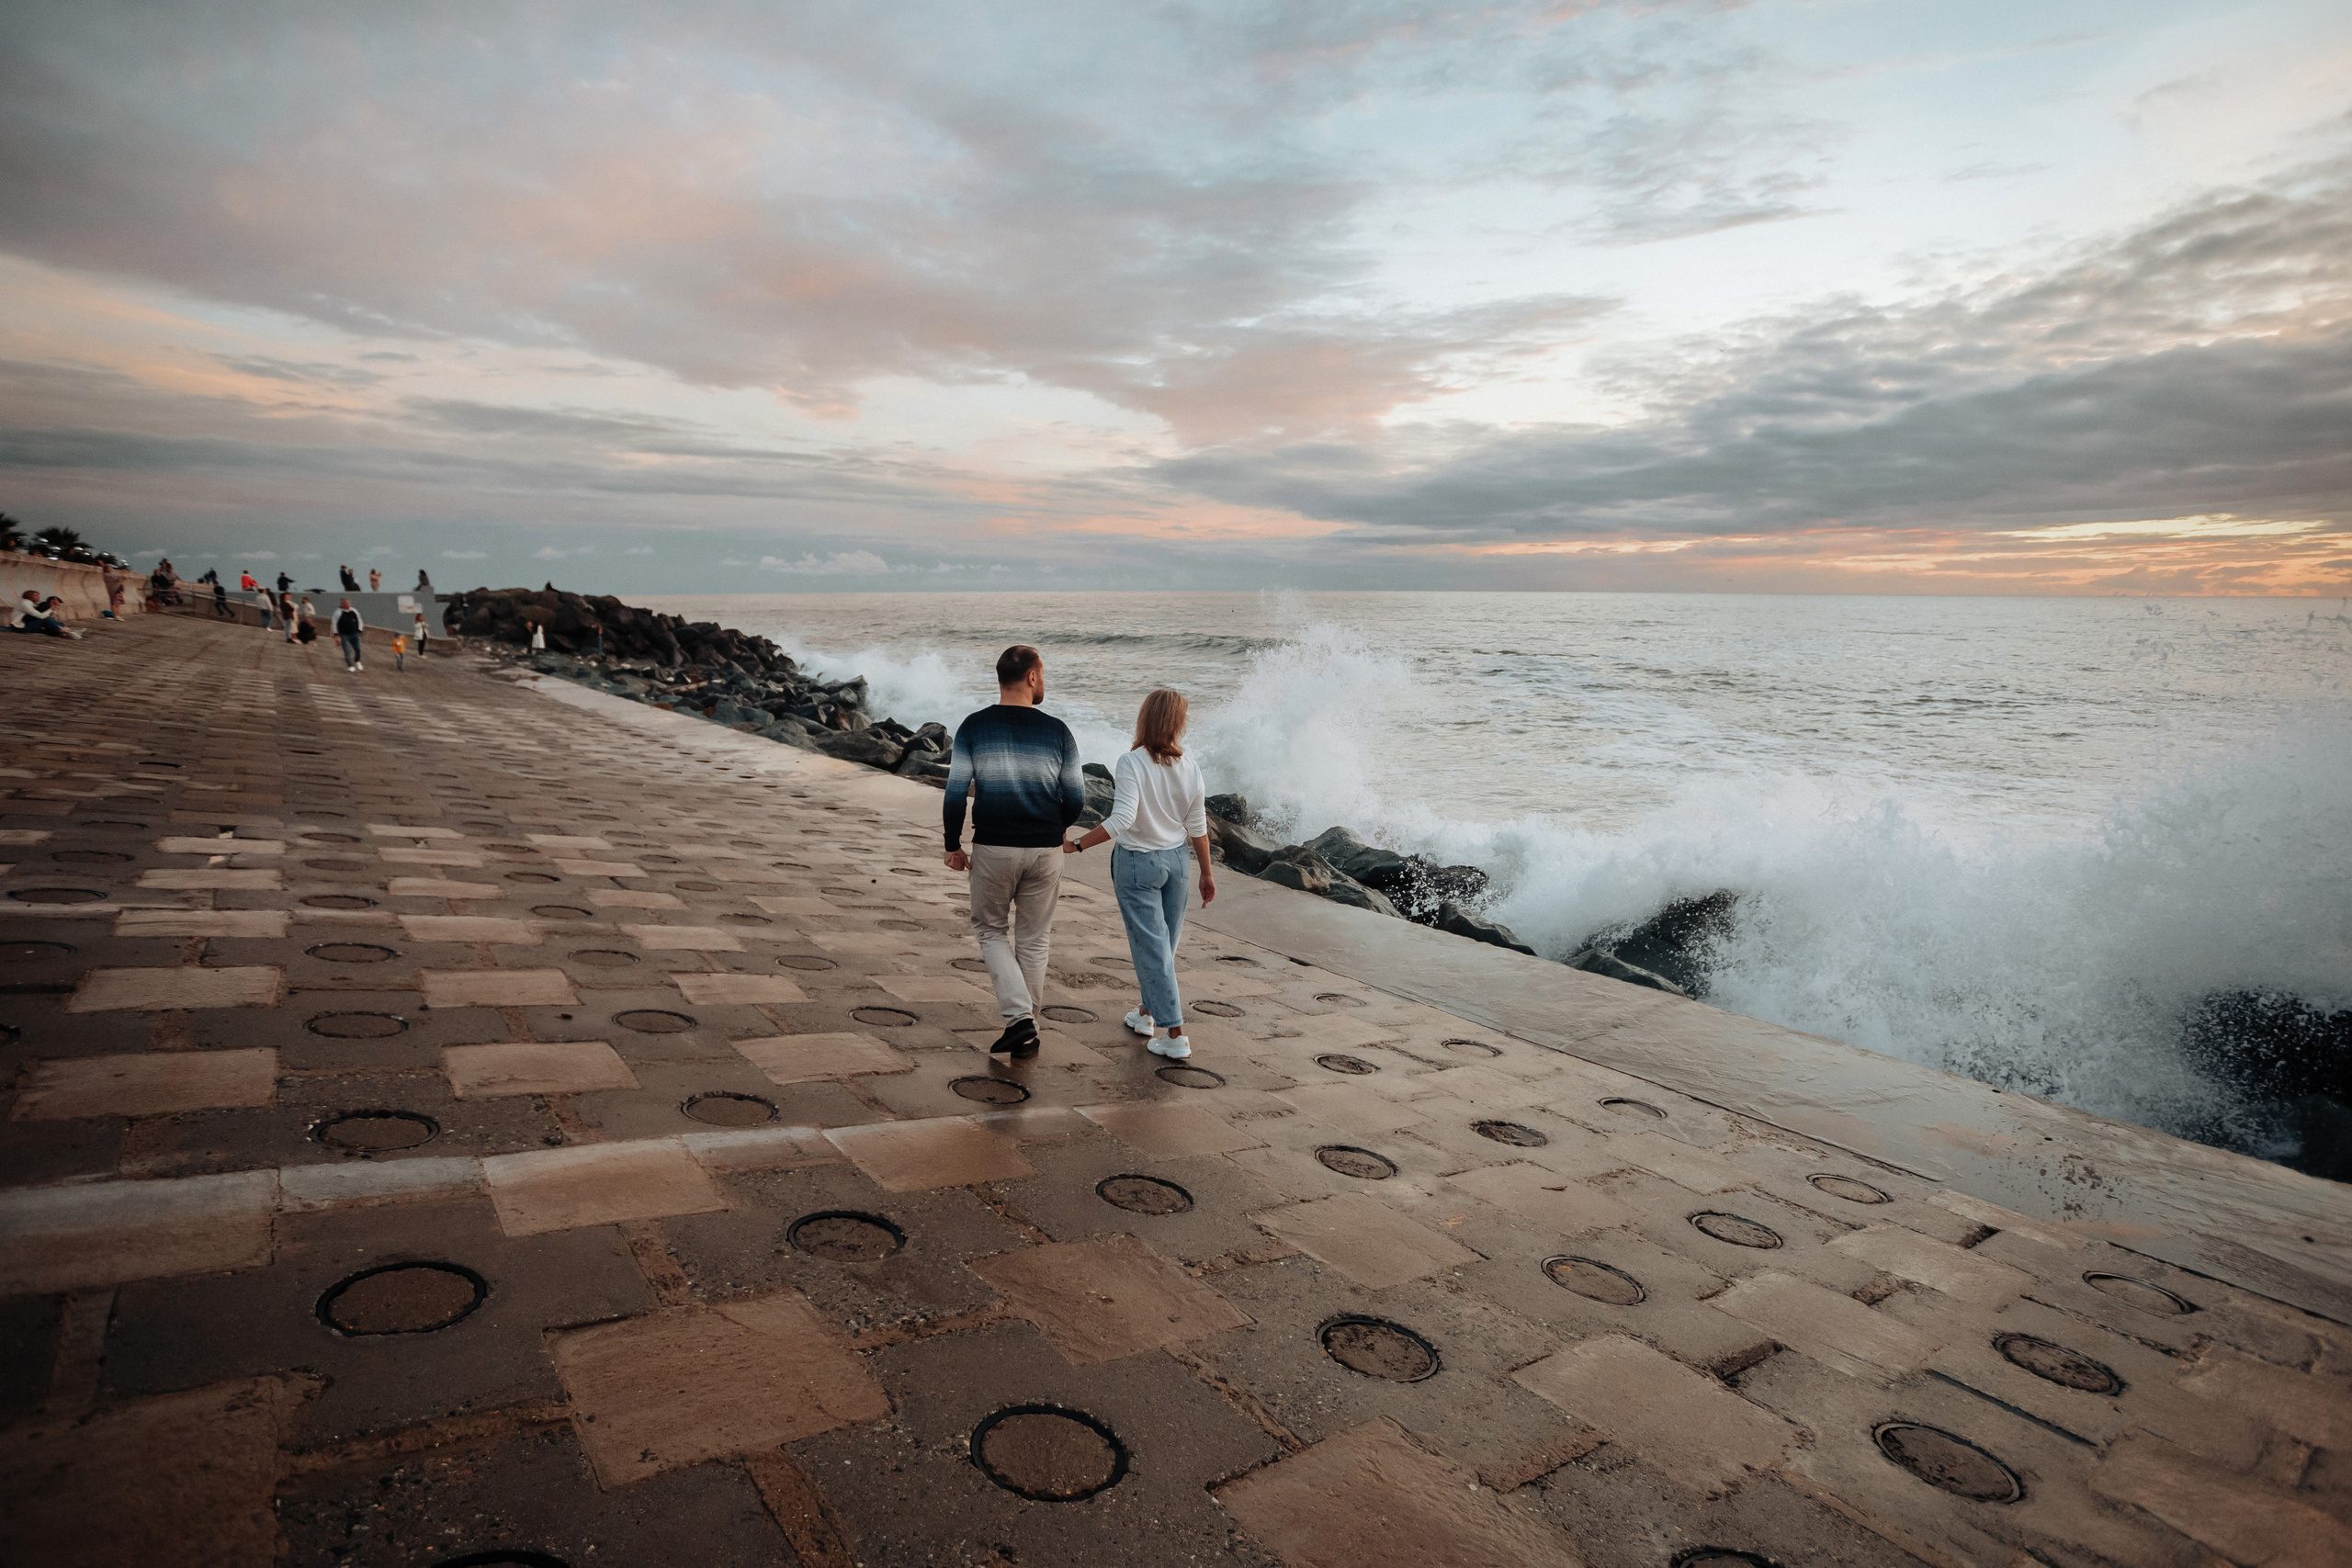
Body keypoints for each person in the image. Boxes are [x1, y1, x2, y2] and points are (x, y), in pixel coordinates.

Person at [943, 645, 1086, 1058]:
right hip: (1045, 851)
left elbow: (956, 794)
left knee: (990, 930)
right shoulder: (1058, 731)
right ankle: (1027, 1030)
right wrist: (1055, 829)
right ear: (1032, 677)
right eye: (1044, 674)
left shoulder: (974, 726)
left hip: (994, 847)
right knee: (1034, 940)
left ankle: (1020, 1019)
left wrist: (952, 845)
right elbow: (1077, 797)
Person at [1064, 689, 1215, 1059]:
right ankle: (1146, 1013)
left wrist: (1078, 845)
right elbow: (1198, 827)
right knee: (1164, 946)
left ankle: (1175, 1034)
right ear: (1177, 723)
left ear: (1146, 718)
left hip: (1138, 864)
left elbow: (1123, 820)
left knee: (1152, 947)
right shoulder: (1190, 767)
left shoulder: (1132, 762)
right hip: (1178, 863)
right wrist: (1206, 874)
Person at [333, 598, 365, 671]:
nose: (348, 605)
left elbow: (359, 620)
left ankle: (357, 661)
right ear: (342, 604)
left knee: (358, 648)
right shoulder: (337, 613)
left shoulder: (354, 611)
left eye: (348, 603)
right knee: (347, 650)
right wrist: (336, 634)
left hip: (355, 634)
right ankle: (350, 665)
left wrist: (360, 630)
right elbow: (334, 624)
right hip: (344, 635)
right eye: (346, 603)